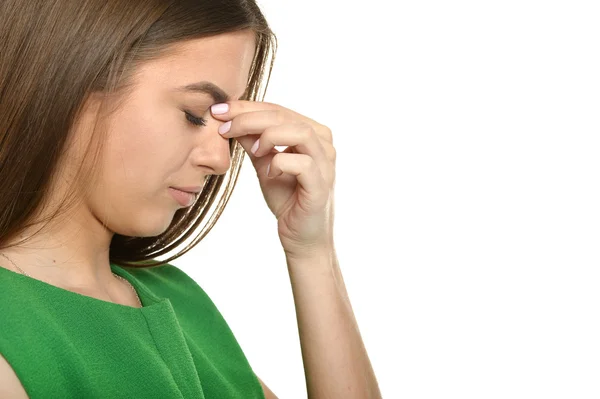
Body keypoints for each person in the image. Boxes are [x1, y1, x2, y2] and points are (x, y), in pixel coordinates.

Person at [0, 0, 381, 398]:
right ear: (74, 79)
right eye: (195, 114)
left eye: (227, 129)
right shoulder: (11, 334)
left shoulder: (179, 300)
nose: (220, 161)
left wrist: (312, 252)